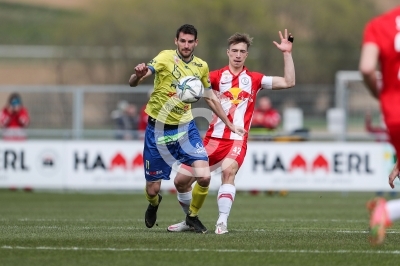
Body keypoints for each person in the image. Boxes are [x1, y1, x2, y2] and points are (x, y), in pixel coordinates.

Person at [167, 29, 295, 234]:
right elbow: (189, 85)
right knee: (180, 182)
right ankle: (190, 219)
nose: (237, 55)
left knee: (228, 172)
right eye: (234, 50)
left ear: (246, 55)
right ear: (228, 52)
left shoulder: (255, 79)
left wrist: (286, 53)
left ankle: (222, 222)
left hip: (236, 139)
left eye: (242, 51)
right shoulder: (215, 77)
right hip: (210, 140)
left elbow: (289, 82)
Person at [128, 24, 245, 233]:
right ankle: (154, 204)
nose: (186, 45)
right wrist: (137, 75)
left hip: (186, 128)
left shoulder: (201, 66)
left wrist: (228, 123)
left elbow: (210, 98)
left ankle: (191, 217)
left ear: (196, 43)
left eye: (190, 42)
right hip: (158, 131)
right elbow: (134, 81)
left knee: (205, 176)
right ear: (176, 41)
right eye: (183, 41)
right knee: (152, 189)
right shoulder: (164, 57)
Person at [359, 6, 400, 245]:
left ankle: (387, 210)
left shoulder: (378, 25)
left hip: (394, 112)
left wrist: (381, 95)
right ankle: (387, 211)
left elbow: (366, 68)